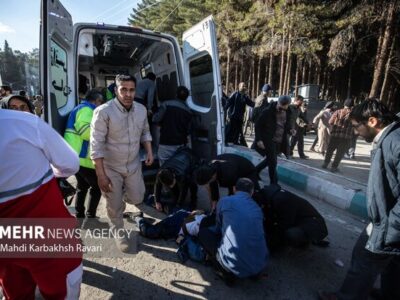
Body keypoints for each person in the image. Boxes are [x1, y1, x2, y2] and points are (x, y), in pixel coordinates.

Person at [319, 99, 400, 300]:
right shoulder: (389, 137)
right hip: (389, 220)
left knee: (364, 259)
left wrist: (391, 229)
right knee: (394, 263)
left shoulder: (394, 142)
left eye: (357, 126)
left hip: (389, 225)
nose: (355, 132)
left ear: (372, 121)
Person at [0, 109, 82, 299]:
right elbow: (70, 164)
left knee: (15, 291)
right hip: (49, 241)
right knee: (61, 292)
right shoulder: (24, 123)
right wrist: (43, 170)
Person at [90, 74, 154, 252]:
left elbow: (145, 131)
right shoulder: (103, 112)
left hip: (133, 164)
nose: (128, 94)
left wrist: (149, 151)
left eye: (131, 90)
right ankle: (118, 230)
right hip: (111, 167)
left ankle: (121, 198)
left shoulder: (141, 109)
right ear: (116, 90)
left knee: (138, 198)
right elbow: (96, 146)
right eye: (123, 89)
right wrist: (101, 175)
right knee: (114, 204)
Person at [198, 178, 269, 282]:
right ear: (252, 192)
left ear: (234, 189)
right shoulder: (257, 209)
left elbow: (218, 228)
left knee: (203, 233)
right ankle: (252, 272)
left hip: (233, 265)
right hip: (260, 264)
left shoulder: (225, 201)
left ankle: (225, 272)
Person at [64, 89, 105, 223]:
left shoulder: (81, 108)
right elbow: (86, 132)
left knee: (82, 186)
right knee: (97, 186)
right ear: (97, 101)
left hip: (76, 156)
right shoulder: (87, 110)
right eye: (101, 102)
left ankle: (80, 214)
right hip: (82, 157)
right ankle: (90, 217)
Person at [255, 184, 328, 250]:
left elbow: (284, 225)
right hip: (298, 220)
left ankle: (306, 241)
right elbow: (269, 220)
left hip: (315, 225)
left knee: (291, 234)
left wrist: (270, 244)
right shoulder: (268, 197)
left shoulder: (281, 200)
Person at [194, 153, 260, 210]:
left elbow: (236, 191)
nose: (207, 185)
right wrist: (214, 204)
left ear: (213, 176)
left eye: (207, 182)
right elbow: (213, 186)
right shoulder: (208, 167)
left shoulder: (228, 173)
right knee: (229, 195)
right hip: (233, 166)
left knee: (250, 196)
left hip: (248, 171)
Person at [253, 95, 293, 184]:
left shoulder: (288, 112)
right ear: (278, 102)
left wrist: (291, 130)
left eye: (285, 106)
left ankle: (255, 171)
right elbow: (258, 125)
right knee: (273, 162)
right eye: (281, 105)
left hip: (280, 140)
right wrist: (259, 140)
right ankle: (274, 183)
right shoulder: (268, 111)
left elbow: (287, 125)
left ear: (288, 105)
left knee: (270, 160)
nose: (282, 107)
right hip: (269, 140)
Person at [152, 86, 192, 165]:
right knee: (177, 166)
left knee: (164, 167)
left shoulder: (166, 104)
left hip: (166, 143)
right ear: (186, 98)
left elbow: (155, 119)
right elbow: (188, 131)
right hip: (180, 144)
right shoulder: (188, 112)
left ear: (176, 94)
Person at [153, 147, 199, 213]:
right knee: (175, 191)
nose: (171, 186)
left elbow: (184, 191)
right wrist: (157, 201)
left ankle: (193, 202)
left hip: (191, 158)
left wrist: (178, 205)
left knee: (192, 183)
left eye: (172, 183)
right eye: (169, 185)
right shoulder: (160, 173)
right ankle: (176, 199)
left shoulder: (182, 174)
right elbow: (157, 185)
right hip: (180, 155)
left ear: (174, 175)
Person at [322, 98, 355, 172]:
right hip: (346, 137)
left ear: (344, 105)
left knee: (330, 150)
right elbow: (356, 126)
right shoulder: (354, 115)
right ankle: (334, 167)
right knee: (340, 153)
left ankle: (325, 163)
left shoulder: (337, 111)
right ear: (352, 106)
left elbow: (330, 122)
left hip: (335, 135)